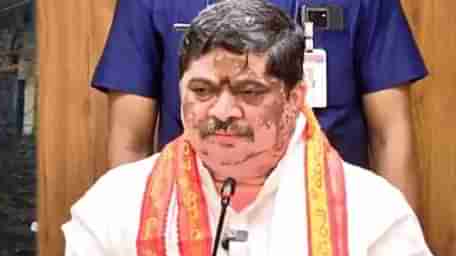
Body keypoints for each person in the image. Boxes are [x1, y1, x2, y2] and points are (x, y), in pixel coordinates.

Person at [38, 0, 455, 256]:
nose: (221, 111)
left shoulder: (371, 205)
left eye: (249, 91)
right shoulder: (119, 201)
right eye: (201, 91)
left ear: (295, 98)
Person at [93, 0, 426, 211]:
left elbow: (391, 135)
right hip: (195, 219)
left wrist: (403, 255)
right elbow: (129, 142)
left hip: (329, 222)